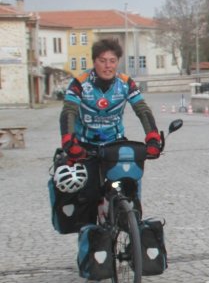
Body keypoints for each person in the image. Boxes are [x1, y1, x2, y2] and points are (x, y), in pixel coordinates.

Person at [57, 38, 160, 227]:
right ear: (94, 61)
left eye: (112, 61)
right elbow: (69, 111)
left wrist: (153, 138)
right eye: (103, 60)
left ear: (118, 62)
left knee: (130, 190)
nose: (107, 66)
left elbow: (142, 109)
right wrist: (69, 141)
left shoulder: (125, 83)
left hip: (116, 144)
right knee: (89, 195)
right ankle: (89, 238)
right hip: (86, 146)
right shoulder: (79, 83)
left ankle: (131, 234)